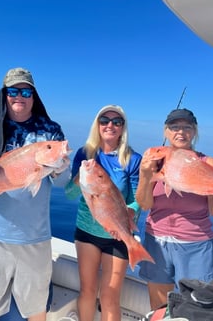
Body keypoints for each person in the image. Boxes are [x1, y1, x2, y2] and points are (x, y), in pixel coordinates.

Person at [0, 67, 70, 321]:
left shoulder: (51, 130)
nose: (19, 96)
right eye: (13, 90)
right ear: (5, 95)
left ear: (34, 96)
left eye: (25, 91)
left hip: (35, 236)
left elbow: (60, 182)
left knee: (36, 309)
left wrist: (62, 169)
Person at [136, 108, 213, 310]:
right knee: (158, 307)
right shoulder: (154, 160)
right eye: (174, 127)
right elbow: (145, 204)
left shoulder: (207, 162)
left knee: (195, 309)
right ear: (166, 131)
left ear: (195, 131)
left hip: (195, 245)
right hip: (157, 242)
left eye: (186, 127)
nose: (180, 132)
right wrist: (146, 176)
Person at [64, 104, 142, 321]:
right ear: (97, 125)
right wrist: (80, 178)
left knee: (109, 297)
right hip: (86, 233)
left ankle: (133, 247)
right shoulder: (84, 153)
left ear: (123, 128)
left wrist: (128, 215)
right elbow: (70, 195)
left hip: (117, 237)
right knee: (87, 291)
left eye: (117, 122)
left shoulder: (133, 159)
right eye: (104, 120)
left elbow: (137, 200)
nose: (110, 125)